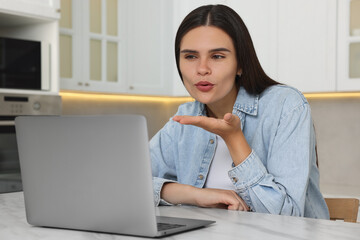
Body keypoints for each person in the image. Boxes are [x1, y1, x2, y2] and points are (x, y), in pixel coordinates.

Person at [150, 4, 329, 219]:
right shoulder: (183, 120)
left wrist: (234, 138)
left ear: (240, 64)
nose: (202, 69)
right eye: (190, 56)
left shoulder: (286, 106)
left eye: (217, 56)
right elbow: (122, 183)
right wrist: (193, 194)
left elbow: (287, 216)